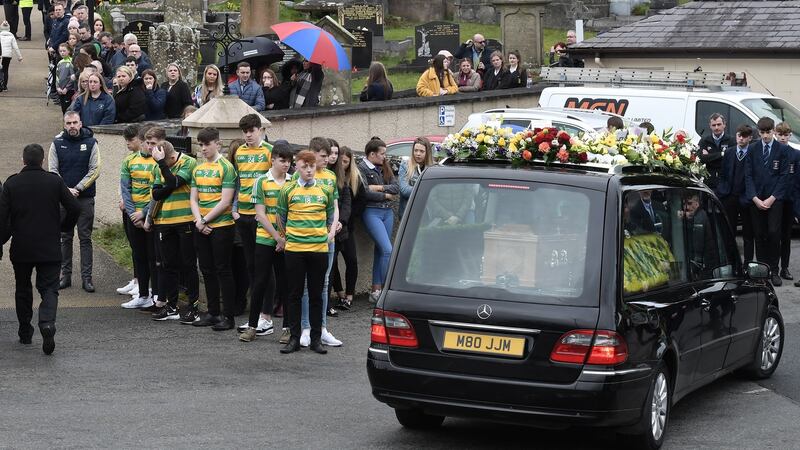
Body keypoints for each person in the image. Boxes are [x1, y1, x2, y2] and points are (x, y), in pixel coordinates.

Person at [0, 144, 80, 355]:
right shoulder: (54, 181)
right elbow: (74, 207)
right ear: (43, 160)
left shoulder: (12, 183)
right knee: (49, 289)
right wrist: (64, 226)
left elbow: (3, 217)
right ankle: (46, 323)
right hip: (49, 246)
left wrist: (2, 238)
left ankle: (25, 331)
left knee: (23, 288)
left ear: (23, 160)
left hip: (22, 246)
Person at [277, 150, 335, 355]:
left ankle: (316, 339)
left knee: (317, 295)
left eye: (311, 166)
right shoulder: (288, 189)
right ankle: (294, 337)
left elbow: (330, 216)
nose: (309, 170)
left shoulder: (325, 189)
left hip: (318, 249)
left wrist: (324, 236)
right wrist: (289, 238)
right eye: (304, 166)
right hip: (294, 250)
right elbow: (280, 217)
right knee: (293, 294)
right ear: (297, 167)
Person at [238, 143, 293, 342]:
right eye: (282, 160)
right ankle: (253, 326)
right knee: (260, 282)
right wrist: (277, 237)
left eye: (288, 160)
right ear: (273, 159)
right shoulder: (261, 181)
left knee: (286, 284)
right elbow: (260, 215)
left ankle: (287, 328)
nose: (286, 164)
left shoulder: (293, 181)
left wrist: (284, 238)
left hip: (286, 241)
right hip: (265, 239)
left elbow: (293, 213)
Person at [291, 137, 342, 347]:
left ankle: (321, 328)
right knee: (304, 285)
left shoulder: (330, 177)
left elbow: (334, 206)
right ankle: (305, 327)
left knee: (324, 283)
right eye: (323, 156)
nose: (328, 159)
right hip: (304, 240)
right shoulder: (298, 175)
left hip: (325, 239)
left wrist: (332, 230)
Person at [146, 136, 201, 322]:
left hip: (185, 220)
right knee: (168, 265)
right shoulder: (158, 165)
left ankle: (193, 306)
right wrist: (169, 181)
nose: (164, 167)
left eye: (165, 163)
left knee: (188, 264)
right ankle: (171, 306)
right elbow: (156, 192)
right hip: (164, 221)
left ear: (170, 157)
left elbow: (174, 182)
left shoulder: (189, 162)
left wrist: (165, 171)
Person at [190, 127, 238, 330]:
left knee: (223, 270)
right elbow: (193, 197)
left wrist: (205, 220)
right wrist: (199, 221)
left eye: (207, 144)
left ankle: (229, 316)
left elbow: (226, 201)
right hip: (202, 226)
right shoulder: (198, 168)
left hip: (222, 226)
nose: (203, 148)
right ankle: (213, 313)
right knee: (207, 269)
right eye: (200, 145)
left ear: (217, 144)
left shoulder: (226, 167)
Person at [48, 111, 100, 293]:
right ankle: (66, 276)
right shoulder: (56, 143)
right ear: (64, 124)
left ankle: (87, 279)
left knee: (85, 238)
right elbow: (52, 170)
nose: (71, 126)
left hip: (84, 198)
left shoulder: (92, 143)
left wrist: (77, 188)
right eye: (68, 123)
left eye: (74, 122)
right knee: (65, 237)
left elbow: (95, 170)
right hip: (63, 199)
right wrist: (66, 191)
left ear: (81, 123)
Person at [230, 114, 273, 325]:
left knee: (265, 265)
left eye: (251, 131)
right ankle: (257, 313)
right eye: (245, 131)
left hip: (262, 215)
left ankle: (267, 312)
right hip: (243, 215)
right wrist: (235, 208)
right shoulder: (239, 152)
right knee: (251, 265)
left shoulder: (269, 151)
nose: (248, 135)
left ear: (260, 130)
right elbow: (239, 182)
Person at [118, 125, 160, 309]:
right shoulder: (129, 161)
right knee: (139, 255)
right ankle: (142, 294)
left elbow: (158, 191)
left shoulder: (159, 162)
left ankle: (156, 294)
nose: (149, 147)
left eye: (151, 143)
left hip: (151, 215)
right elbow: (125, 189)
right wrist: (132, 212)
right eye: (146, 143)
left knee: (154, 256)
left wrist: (143, 213)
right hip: (132, 214)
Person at [745, 116, 790, 286]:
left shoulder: (781, 150)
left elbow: (784, 177)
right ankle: (762, 271)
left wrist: (772, 199)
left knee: (773, 233)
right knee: (759, 234)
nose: (765, 136)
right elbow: (748, 176)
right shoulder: (752, 149)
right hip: (756, 199)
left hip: (774, 200)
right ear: (758, 132)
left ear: (773, 131)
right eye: (762, 132)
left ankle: (774, 270)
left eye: (768, 132)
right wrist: (755, 198)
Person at [357, 137, 399, 303]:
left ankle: (376, 290)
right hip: (372, 212)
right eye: (382, 154)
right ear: (372, 154)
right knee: (387, 250)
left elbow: (395, 188)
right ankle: (387, 291)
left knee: (381, 251)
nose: (384, 157)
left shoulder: (385, 166)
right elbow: (364, 192)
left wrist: (379, 188)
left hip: (387, 212)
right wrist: (385, 195)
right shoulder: (361, 167)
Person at [716, 124, 754, 262]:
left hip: (746, 198)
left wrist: (751, 196)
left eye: (744, 136)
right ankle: (731, 262)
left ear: (750, 138)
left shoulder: (753, 152)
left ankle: (748, 264)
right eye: (739, 135)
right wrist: (722, 190)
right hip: (729, 196)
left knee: (748, 234)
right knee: (729, 232)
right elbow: (723, 173)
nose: (741, 139)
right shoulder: (730, 152)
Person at [330, 146, 359, 311]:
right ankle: (340, 294)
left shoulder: (343, 179)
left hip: (345, 227)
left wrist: (342, 221)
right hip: (330, 228)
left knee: (352, 260)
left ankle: (349, 295)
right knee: (332, 263)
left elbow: (347, 203)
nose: (336, 159)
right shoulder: (327, 175)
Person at [775, 121, 797, 281]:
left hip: (789, 199)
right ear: (776, 134)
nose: (782, 138)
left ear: (790, 135)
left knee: (786, 236)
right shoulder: (771, 151)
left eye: (785, 135)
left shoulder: (795, 154)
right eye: (780, 134)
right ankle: (773, 268)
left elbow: (796, 181)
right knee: (773, 235)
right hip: (773, 199)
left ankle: (785, 267)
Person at [398, 137, 433, 219]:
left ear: (427, 152)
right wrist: (426, 190)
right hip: (408, 215)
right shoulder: (405, 165)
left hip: (428, 215)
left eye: (422, 151)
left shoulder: (432, 167)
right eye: (415, 150)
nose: (418, 154)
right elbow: (404, 190)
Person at [697, 113, 734, 190]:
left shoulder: (731, 140)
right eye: (714, 125)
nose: (716, 127)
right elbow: (701, 159)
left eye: (719, 124)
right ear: (710, 126)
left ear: (724, 125)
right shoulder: (704, 140)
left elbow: (730, 159)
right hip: (709, 181)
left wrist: (709, 157)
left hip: (726, 181)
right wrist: (722, 154)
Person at [0, 21, 23, 92]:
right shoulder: (11, 36)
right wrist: (19, 57)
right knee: (5, 70)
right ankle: (4, 86)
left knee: (0, 70)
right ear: (9, 29)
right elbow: (15, 47)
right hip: (8, 55)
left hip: (0, 55)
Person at [54, 43, 75, 112]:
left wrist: (67, 88)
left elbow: (73, 77)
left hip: (69, 90)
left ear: (69, 51)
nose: (62, 53)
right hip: (60, 89)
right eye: (60, 51)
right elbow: (57, 76)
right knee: (63, 108)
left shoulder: (71, 62)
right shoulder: (60, 62)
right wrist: (57, 87)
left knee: (67, 109)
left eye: (64, 51)